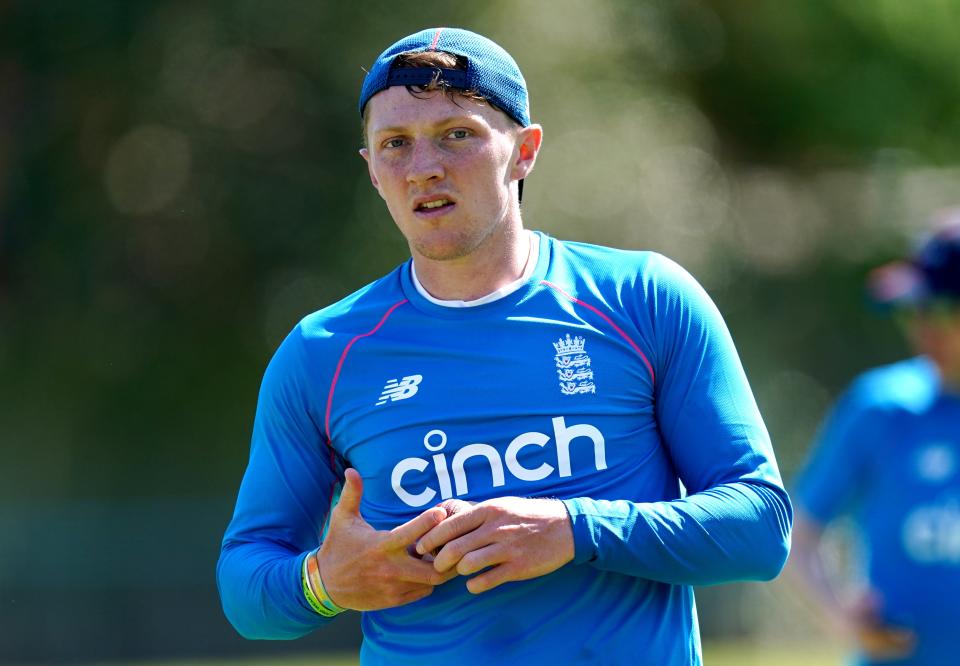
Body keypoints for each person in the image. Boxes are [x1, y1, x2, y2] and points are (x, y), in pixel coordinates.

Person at [217, 27, 792, 665]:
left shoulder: (644, 299)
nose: (423, 167)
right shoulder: (323, 352)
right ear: (373, 173)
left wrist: (575, 530)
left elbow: (761, 527)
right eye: (395, 145)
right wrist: (323, 584)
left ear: (524, 151)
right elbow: (245, 584)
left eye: (457, 134)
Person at [791, 213, 960, 666]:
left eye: (943, 310)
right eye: (914, 310)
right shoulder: (881, 407)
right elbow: (799, 536)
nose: (924, 329)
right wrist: (841, 615)